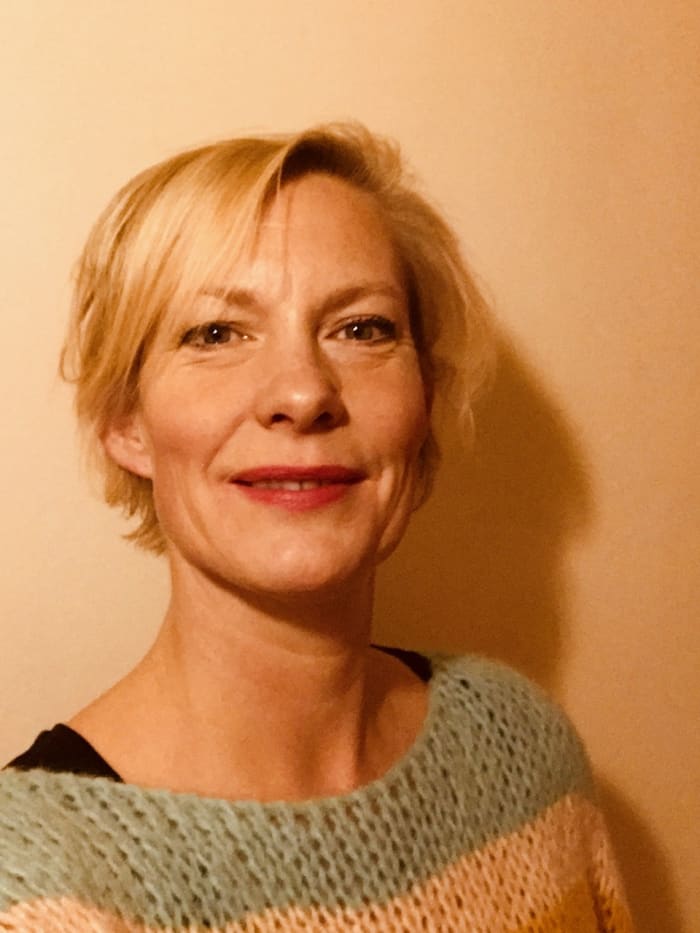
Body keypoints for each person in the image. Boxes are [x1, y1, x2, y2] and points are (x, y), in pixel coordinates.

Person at [0, 123, 633, 931]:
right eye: (216, 334)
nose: (303, 393)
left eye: (362, 328)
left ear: (425, 399)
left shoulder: (523, 753)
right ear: (126, 421)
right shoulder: (38, 889)